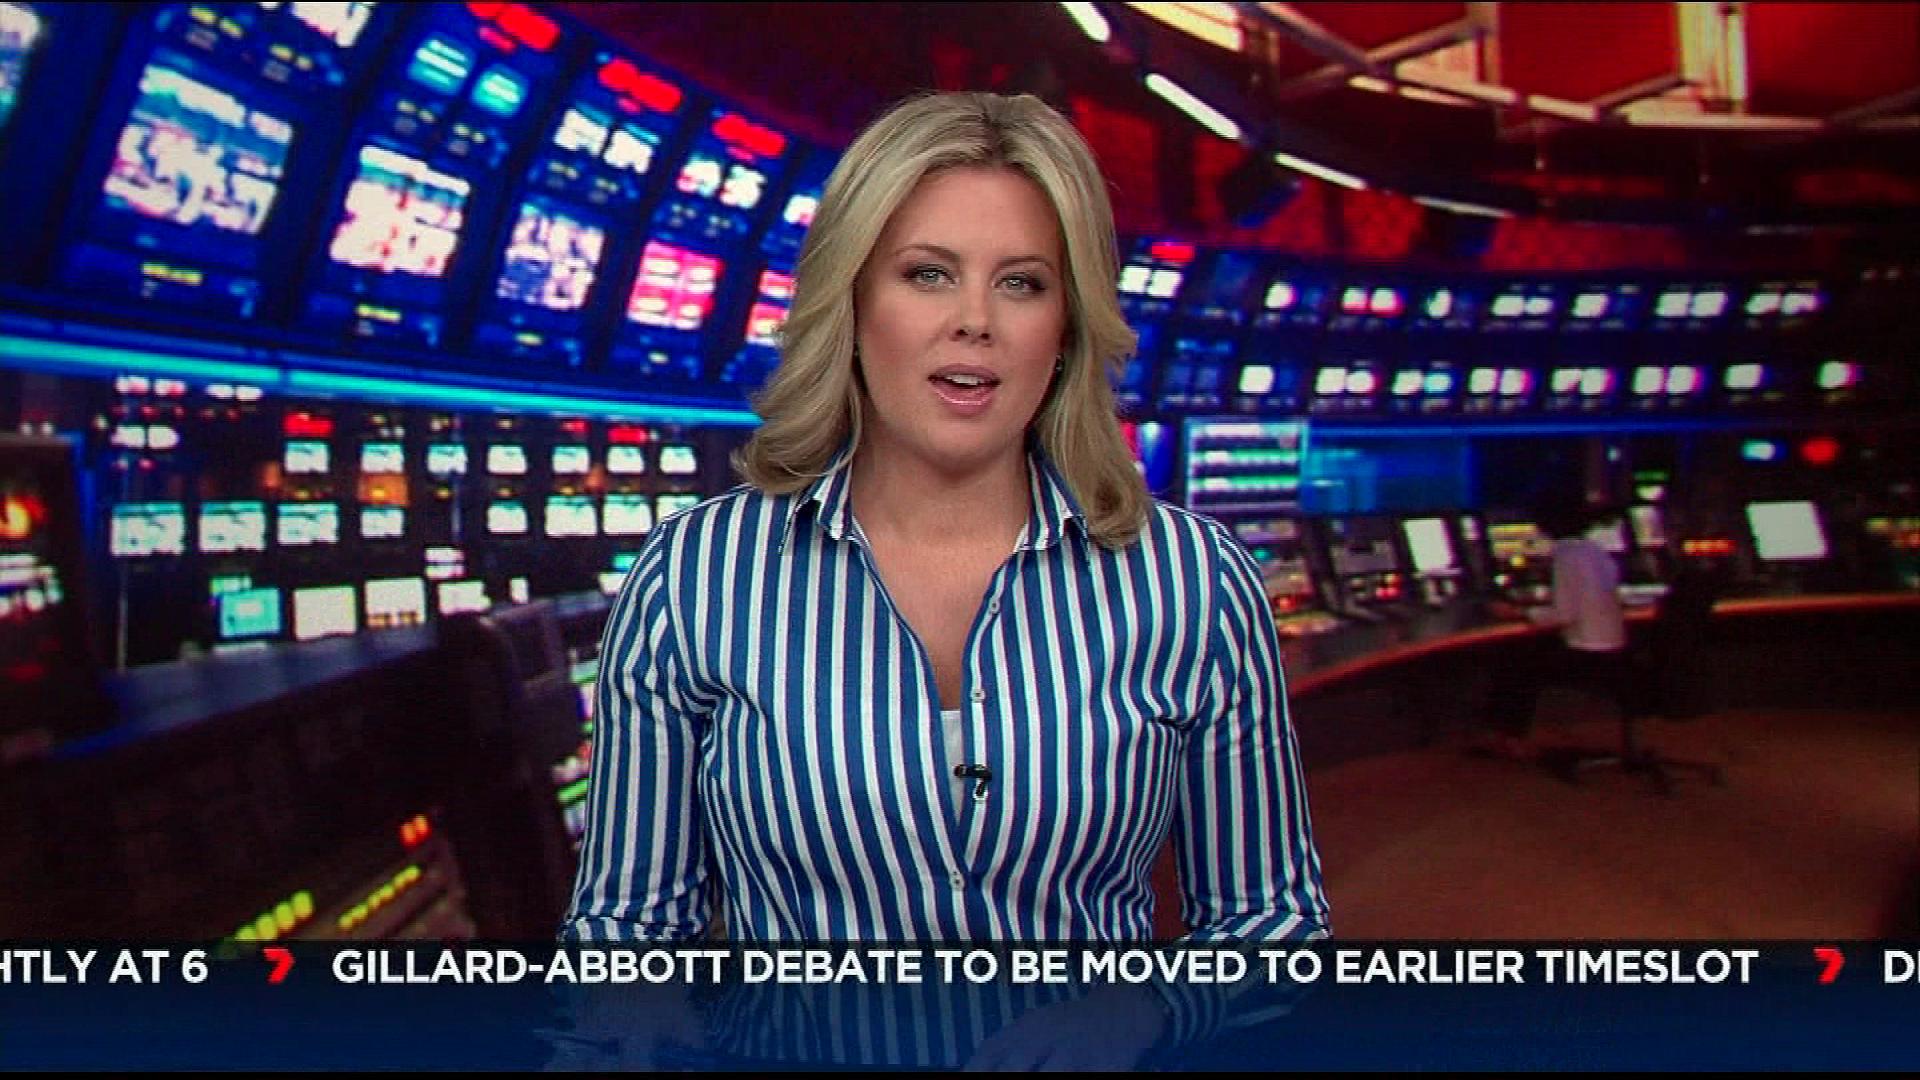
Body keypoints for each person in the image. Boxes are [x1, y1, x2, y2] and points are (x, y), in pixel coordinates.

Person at [558, 91, 1329, 1067]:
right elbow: (625, 929)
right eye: (928, 274)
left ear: (1067, 326)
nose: (975, 322)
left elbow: (1273, 923)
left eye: (1022, 284)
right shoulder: (694, 576)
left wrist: (1146, 1008)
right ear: (851, 302)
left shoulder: (1194, 581)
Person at [1478, 498, 1630, 761]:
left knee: (1515, 663)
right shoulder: (1595, 551)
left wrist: (1517, 613)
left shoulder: (1567, 554)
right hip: (1613, 652)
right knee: (1529, 652)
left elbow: (1565, 615)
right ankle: (1505, 735)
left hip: (1589, 656)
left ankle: (1509, 739)